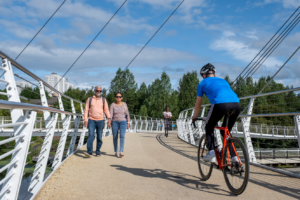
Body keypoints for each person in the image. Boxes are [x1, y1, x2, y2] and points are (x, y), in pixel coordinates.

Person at [192, 63, 240, 163]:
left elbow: (198, 104)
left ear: (204, 75)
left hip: (220, 104)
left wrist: (194, 117)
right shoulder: (224, 81)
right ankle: (235, 158)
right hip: (236, 104)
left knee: (209, 126)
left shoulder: (202, 83)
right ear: (214, 74)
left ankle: (212, 153)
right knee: (225, 131)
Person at [84, 86, 111, 157]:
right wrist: (85, 120)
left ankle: (98, 151)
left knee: (99, 137)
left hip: (100, 120)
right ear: (94, 90)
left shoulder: (103, 100)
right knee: (90, 135)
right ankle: (89, 151)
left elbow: (106, 110)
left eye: (100, 91)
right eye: (97, 90)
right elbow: (86, 110)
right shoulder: (89, 99)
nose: (99, 92)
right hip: (91, 120)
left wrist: (109, 118)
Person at [110, 92, 130, 157]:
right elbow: (110, 114)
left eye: (120, 97)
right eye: (117, 96)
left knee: (122, 136)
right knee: (115, 137)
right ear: (115, 97)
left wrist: (128, 122)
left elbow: (127, 114)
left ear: (122, 97)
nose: (118, 98)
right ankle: (116, 151)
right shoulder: (112, 104)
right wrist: (109, 121)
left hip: (123, 122)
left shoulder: (124, 104)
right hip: (114, 122)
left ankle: (121, 151)